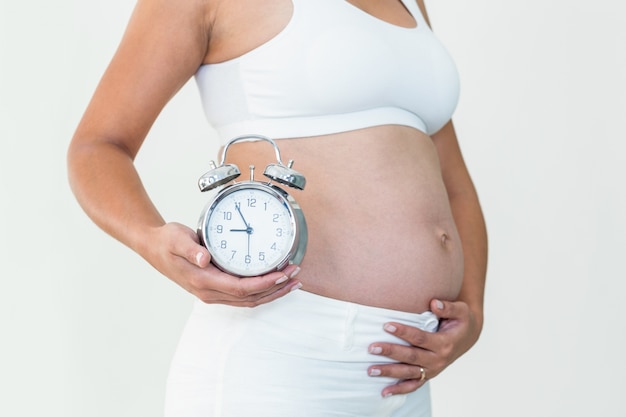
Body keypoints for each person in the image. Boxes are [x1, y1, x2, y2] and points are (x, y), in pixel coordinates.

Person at [67, 0, 487, 415]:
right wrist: (152, 240)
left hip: (404, 378)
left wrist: (472, 311)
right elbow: (98, 146)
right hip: (277, 361)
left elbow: (455, 187)